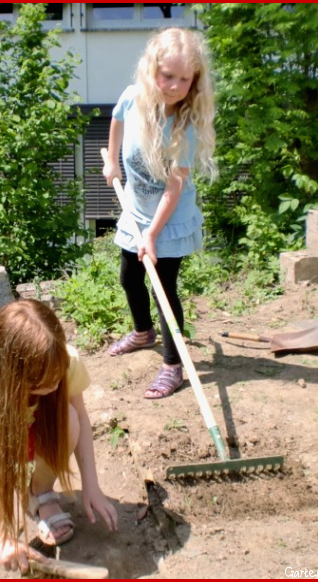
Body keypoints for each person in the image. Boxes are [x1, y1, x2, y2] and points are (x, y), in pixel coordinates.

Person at [0, 299, 118, 579]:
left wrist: (92, 485)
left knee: (67, 417)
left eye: (58, 374)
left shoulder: (63, 360)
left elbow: (80, 415)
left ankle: (40, 493)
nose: (56, 383)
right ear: (13, 377)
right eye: (44, 380)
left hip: (32, 435)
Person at [103, 27, 217, 399]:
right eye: (168, 75)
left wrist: (152, 233)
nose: (174, 86)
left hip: (169, 219)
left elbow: (175, 186)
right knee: (128, 278)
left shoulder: (184, 126)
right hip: (136, 211)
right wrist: (113, 164)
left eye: (185, 79)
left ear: (194, 82)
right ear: (152, 69)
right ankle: (142, 333)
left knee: (163, 291)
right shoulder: (133, 97)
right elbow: (116, 119)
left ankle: (173, 364)